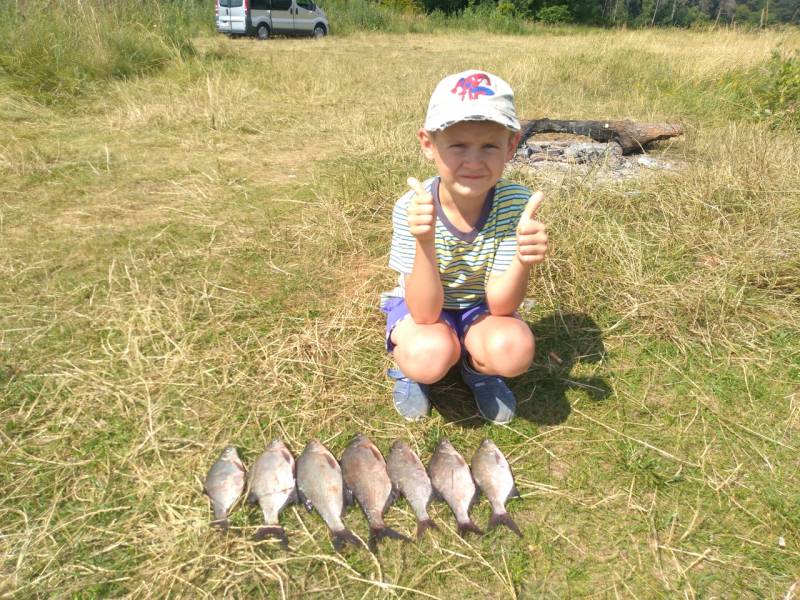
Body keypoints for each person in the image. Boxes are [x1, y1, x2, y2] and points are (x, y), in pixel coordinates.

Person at [381, 69, 548, 423]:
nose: (474, 161)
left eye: (489, 145)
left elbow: (501, 305)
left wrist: (523, 260)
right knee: (428, 354)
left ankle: (478, 370)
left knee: (515, 349)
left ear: (511, 146)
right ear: (429, 144)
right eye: (458, 145)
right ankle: (411, 371)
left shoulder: (515, 205)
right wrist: (424, 241)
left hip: (480, 305)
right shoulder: (413, 206)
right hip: (422, 307)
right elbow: (424, 313)